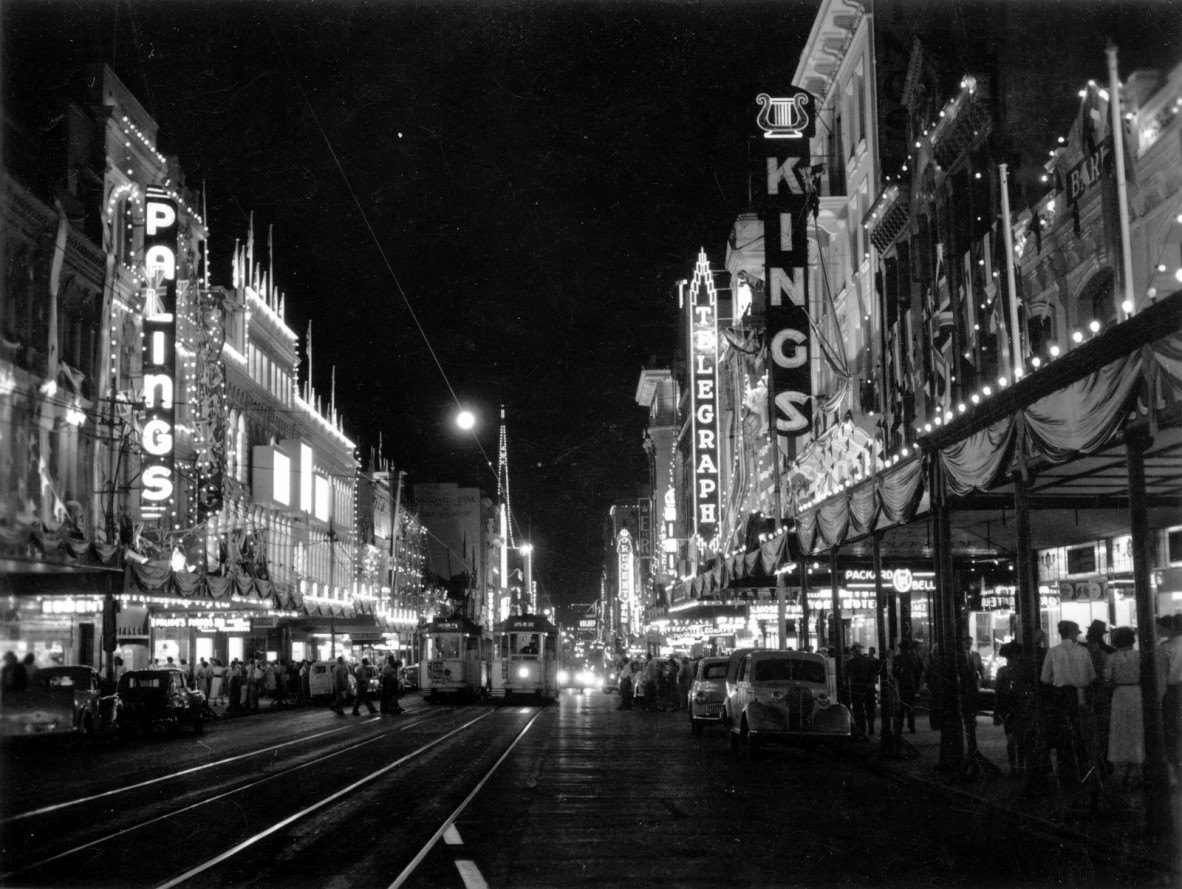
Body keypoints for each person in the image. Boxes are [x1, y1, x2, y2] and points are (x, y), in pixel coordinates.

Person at [1040, 620, 1096, 783]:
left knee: (1062, 731)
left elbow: (1044, 678)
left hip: (1059, 695)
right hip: (1078, 693)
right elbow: (1092, 675)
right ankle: (1084, 768)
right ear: (1073, 634)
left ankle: (1066, 769)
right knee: (1080, 730)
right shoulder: (1083, 651)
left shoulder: (1053, 652)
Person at [1104, 626, 1144, 790]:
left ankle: (1120, 765)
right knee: (1136, 728)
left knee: (1120, 729)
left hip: (1119, 694)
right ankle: (1136, 766)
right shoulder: (1139, 656)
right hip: (1136, 692)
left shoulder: (1112, 658)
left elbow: (1107, 677)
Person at [1163, 613, 1182, 783]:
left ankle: (1176, 773)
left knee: (1173, 730)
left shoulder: (1166, 647)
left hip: (1173, 691)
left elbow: (1162, 673)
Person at [846, 643, 879, 738]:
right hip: (868, 688)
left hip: (857, 688)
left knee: (858, 710)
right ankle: (870, 727)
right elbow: (874, 674)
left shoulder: (850, 663)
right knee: (870, 709)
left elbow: (848, 676)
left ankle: (861, 729)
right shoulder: (868, 661)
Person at [892, 640, 923, 734]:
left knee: (901, 708)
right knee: (910, 707)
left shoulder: (898, 658)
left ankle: (901, 727)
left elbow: (894, 673)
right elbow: (918, 672)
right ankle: (911, 726)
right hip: (911, 685)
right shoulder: (913, 658)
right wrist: (917, 686)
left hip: (902, 685)